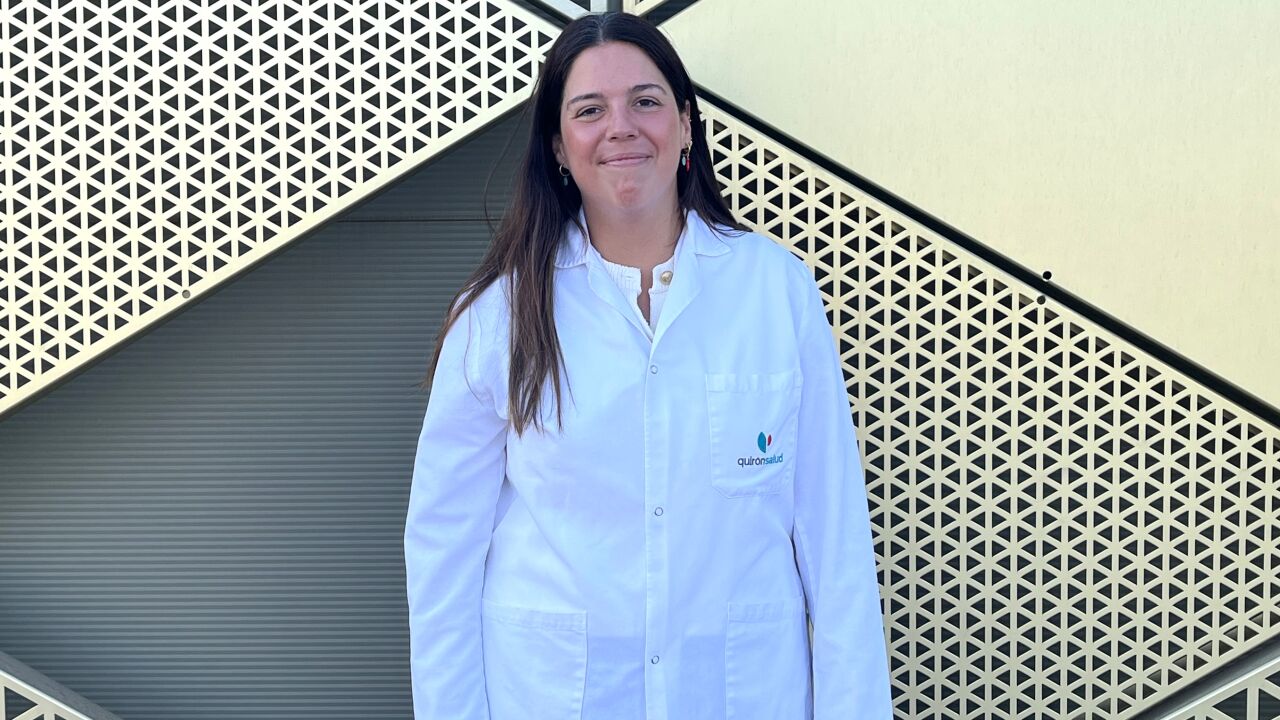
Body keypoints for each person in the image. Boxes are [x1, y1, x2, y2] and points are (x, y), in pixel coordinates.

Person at [404, 11, 891, 720]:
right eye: (589, 110)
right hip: (553, 698)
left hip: (741, 697)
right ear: (558, 146)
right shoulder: (496, 316)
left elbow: (835, 539)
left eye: (645, 101)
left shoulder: (775, 290)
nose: (621, 127)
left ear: (686, 124)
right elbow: (443, 554)